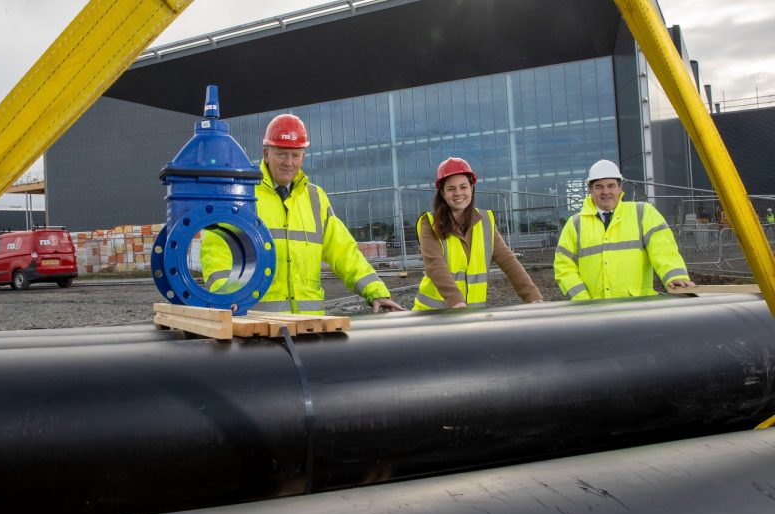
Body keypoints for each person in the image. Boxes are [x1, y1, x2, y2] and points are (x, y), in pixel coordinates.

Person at [201, 113, 405, 315]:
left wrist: (375, 291)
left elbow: (343, 251)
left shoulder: (316, 198)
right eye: (281, 154)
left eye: (295, 155)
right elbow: (217, 251)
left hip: (308, 326)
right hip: (258, 325)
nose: (288, 162)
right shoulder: (241, 196)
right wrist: (225, 295)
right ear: (266, 153)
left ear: (303, 156)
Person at [413, 157, 543, 310]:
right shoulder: (429, 222)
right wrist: (457, 302)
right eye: (451, 188)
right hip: (433, 315)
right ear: (442, 193)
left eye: (463, 187)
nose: (458, 193)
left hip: (471, 313)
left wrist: (532, 296)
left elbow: (507, 260)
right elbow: (435, 265)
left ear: (471, 188)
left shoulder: (485, 221)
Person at [554, 159, 695, 300]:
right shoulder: (575, 224)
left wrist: (675, 276)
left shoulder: (643, 213)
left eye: (611, 186)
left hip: (638, 307)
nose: (605, 192)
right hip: (595, 311)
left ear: (620, 188)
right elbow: (564, 266)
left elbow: (664, 249)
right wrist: (583, 299)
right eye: (599, 187)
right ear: (590, 190)